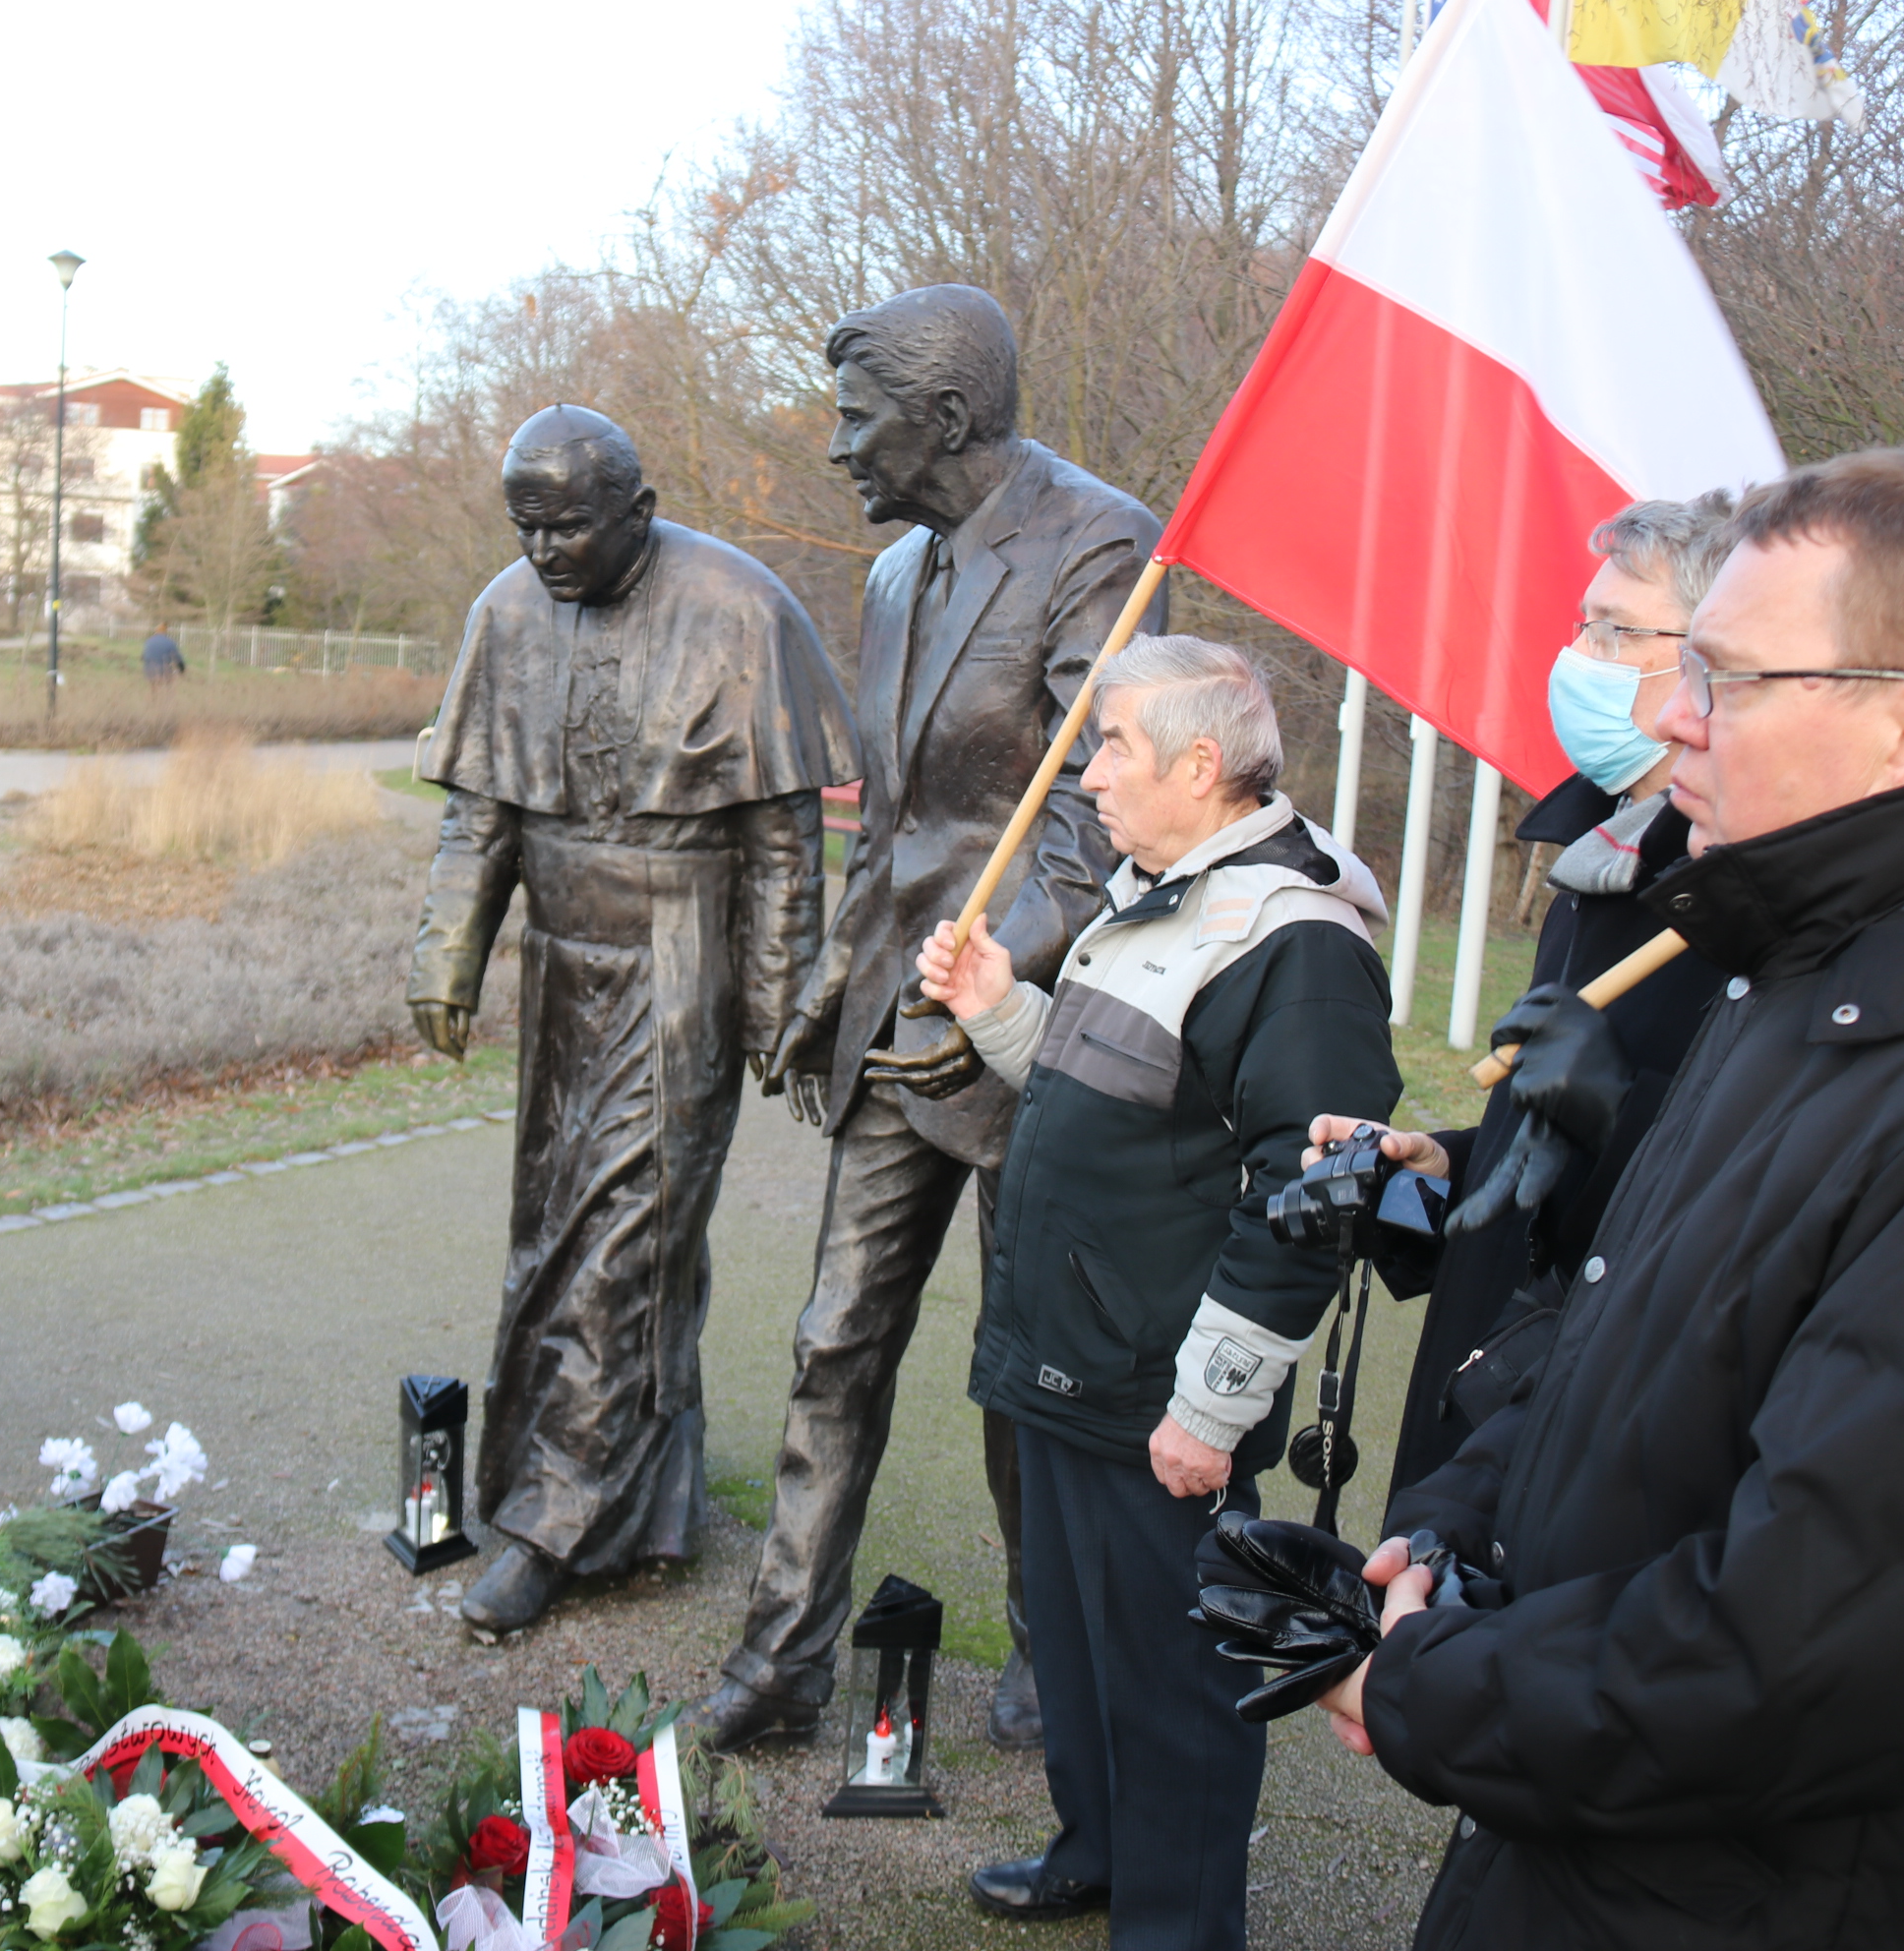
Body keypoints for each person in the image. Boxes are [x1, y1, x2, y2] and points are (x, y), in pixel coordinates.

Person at [1322, 449, 1904, 1947]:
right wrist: (1465, 1522)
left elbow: (1810, 1646)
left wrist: (1429, 1688)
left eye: (1724, 676)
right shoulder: (1797, 976)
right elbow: (1628, 1323)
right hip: (1595, 1863)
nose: (1673, 714)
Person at [691, 282, 1167, 1754]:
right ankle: (781, 1656)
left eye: (859, 418)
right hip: (896, 1023)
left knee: (1029, 1368)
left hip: (1029, 1022)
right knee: (835, 1338)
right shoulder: (897, 573)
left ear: (947, 417)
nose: (839, 446)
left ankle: (1051, 1647)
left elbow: (1096, 815)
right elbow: (891, 825)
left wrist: (996, 975)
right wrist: (831, 978)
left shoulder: (1100, 543)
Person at [919, 635, 1400, 1937]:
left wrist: (1211, 1409)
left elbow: (1308, 1203)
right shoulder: (1154, 892)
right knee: (1078, 1641)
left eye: (1112, 746)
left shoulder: (1296, 944)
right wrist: (999, 1006)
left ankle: (1176, 1924)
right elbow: (1101, 1097)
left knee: (1172, 1677)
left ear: (1199, 764)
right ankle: (1098, 1850)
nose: (1087, 775)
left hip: (1156, 1388)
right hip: (1066, 1355)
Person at [406, 405, 858, 1634]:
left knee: (625, 1243)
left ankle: (553, 1524)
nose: (544, 551)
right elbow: (479, 816)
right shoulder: (507, 611)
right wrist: (448, 956)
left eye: (567, 527)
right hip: (561, 963)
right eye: (526, 526)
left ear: (637, 512)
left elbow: (783, 838)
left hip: (678, 960)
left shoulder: (739, 607)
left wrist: (779, 1002)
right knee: (559, 1238)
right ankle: (649, 1499)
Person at [1318, 494, 1738, 1497]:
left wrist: (1603, 1116)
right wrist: (1446, 1167)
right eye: (1584, 624)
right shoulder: (1595, 865)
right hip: (1475, 1390)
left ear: (1712, 665)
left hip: (1580, 1435)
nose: (1580, 656)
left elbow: (1692, 1198)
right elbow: (1548, 1139)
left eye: (1616, 631)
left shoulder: (1729, 913)